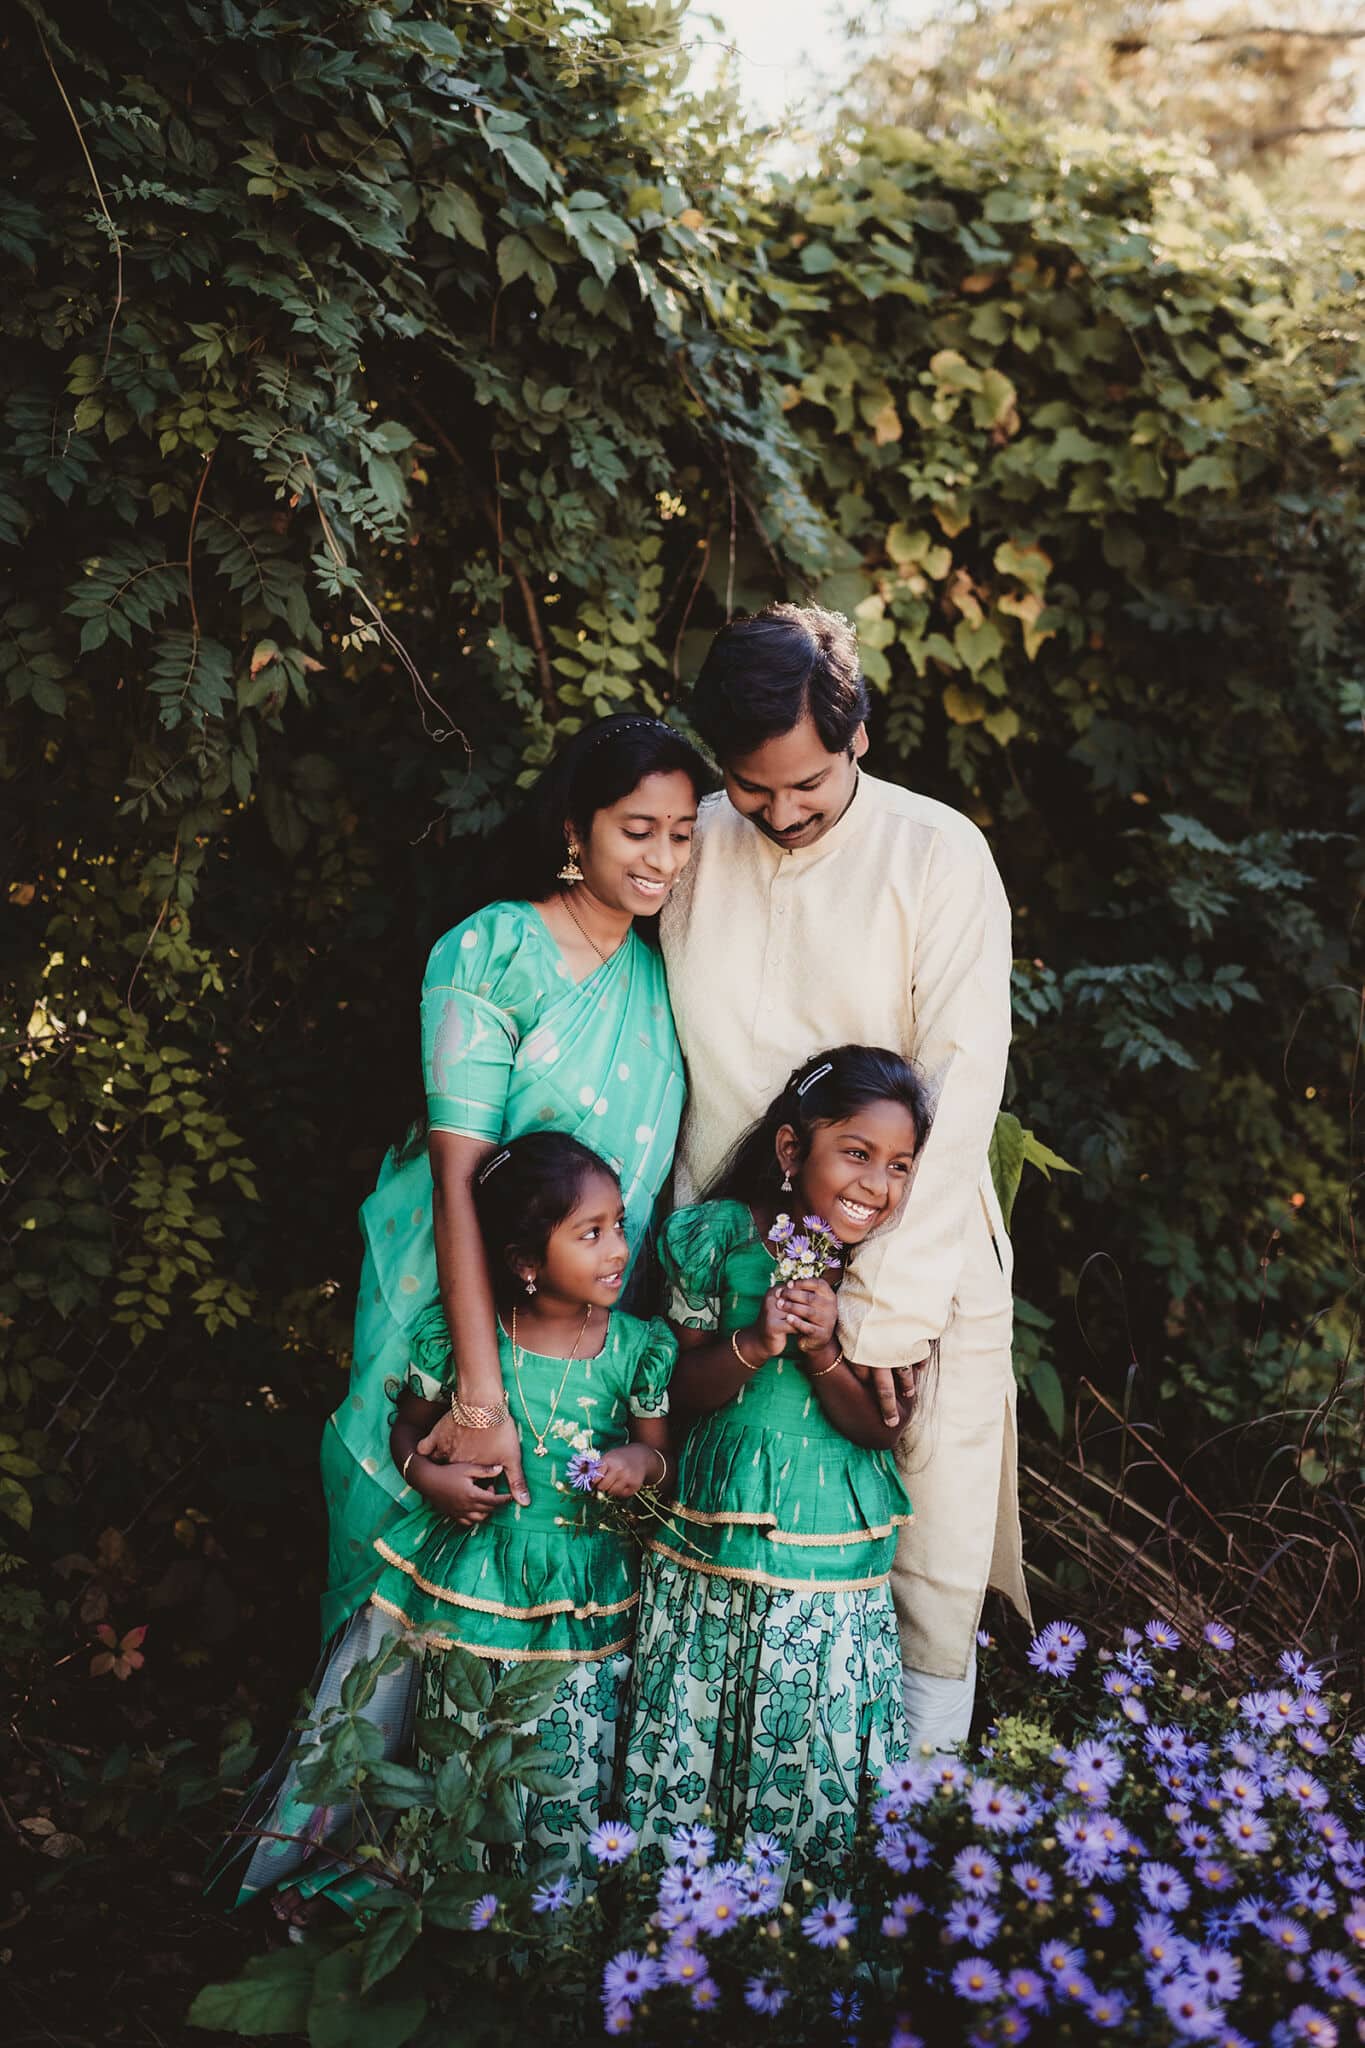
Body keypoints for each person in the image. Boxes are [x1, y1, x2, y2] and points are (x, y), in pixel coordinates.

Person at [660, 604, 1031, 1754]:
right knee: (713, 1545)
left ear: (857, 731)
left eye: (808, 784)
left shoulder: (936, 852)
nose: (780, 813)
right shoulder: (691, 842)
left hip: (908, 1269)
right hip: (724, 1270)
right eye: (751, 786)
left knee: (924, 1565)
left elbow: (961, 1095)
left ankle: (914, 1817)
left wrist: (880, 1317)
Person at [320, 712, 707, 1652]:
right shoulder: (493, 951)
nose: (663, 859)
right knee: (401, 1584)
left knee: (542, 1594)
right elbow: (456, 1182)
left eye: (682, 834)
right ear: (575, 829)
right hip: (447, 1313)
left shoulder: (665, 975)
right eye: (638, 830)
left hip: (577, 1347)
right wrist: (477, 1400)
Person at [231, 1133, 675, 1906]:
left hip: (582, 1587)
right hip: (473, 1572)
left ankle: (552, 1909)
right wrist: (428, 1478)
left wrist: (637, 1465)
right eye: (590, 1233)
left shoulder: (634, 1348)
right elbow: (407, 1428)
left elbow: (660, 1455)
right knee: (462, 1743)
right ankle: (457, 1898)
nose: (617, 1251)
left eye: (618, 1226)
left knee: (568, 1748)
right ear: (525, 1262)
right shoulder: (467, 1342)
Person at [621, 1048, 927, 1889]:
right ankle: (679, 1913)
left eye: (899, 1165)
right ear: (792, 1150)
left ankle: (794, 1931)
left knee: (807, 1730)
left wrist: (825, 1346)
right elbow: (676, 1392)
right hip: (713, 1533)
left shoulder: (890, 1264)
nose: (876, 1185)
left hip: (829, 1546)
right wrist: (755, 1342)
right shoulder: (719, 1236)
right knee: (701, 1720)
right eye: (856, 1153)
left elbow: (879, 1429)